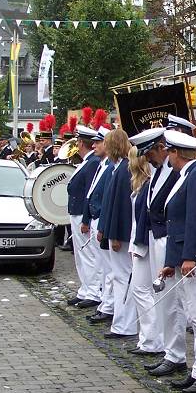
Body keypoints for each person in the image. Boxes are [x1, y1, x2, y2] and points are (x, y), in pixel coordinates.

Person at [157, 129, 196, 393]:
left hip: (195, 258)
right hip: (184, 255)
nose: (167, 157)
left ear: (176, 153)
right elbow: (178, 222)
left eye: (169, 152)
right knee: (193, 314)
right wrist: (172, 260)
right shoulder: (188, 175)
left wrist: (190, 256)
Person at [143, 133, 185, 378]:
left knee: (171, 301)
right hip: (156, 236)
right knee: (162, 298)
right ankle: (170, 351)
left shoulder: (176, 174)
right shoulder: (159, 171)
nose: (149, 158)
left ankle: (175, 354)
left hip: (168, 238)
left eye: (151, 152)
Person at [126, 129, 166, 356]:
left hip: (146, 242)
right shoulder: (144, 184)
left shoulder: (149, 183)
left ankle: (153, 339)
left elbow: (144, 220)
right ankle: (149, 338)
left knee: (145, 290)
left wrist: (137, 245)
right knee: (141, 290)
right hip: (141, 241)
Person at [97, 128, 138, 339]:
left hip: (120, 235)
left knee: (123, 279)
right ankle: (122, 322)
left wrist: (113, 235)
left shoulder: (123, 170)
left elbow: (121, 207)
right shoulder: (120, 168)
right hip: (117, 233)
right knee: (121, 278)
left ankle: (125, 325)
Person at [65, 125, 102, 309]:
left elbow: (90, 193)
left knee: (88, 255)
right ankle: (85, 289)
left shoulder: (92, 162)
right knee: (81, 255)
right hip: (77, 212)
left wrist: (86, 219)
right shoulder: (87, 162)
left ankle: (93, 292)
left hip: (82, 214)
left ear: (80, 143)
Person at [82, 127, 115, 324]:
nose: (93, 145)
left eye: (98, 142)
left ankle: (108, 305)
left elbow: (108, 199)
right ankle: (105, 302)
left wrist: (101, 224)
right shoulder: (103, 165)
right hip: (96, 218)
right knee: (102, 266)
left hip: (102, 219)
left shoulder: (110, 167)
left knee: (108, 269)